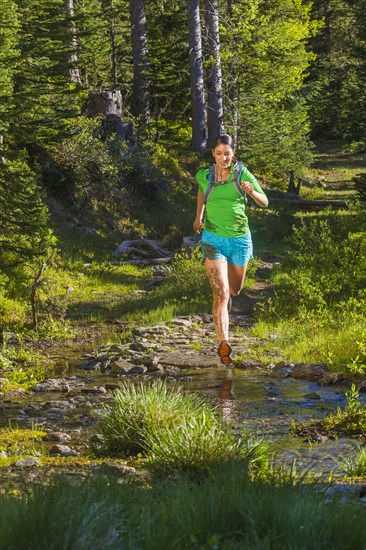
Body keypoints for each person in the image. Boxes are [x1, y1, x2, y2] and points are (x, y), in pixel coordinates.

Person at [193, 134, 268, 365]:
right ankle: (223, 343)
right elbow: (201, 193)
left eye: (227, 153)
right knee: (221, 293)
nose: (223, 158)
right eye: (218, 153)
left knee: (234, 290)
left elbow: (264, 201)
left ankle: (227, 304)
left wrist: (251, 191)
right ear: (213, 154)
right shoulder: (205, 175)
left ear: (233, 153)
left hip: (239, 241)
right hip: (212, 239)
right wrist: (198, 217)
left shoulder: (242, 174)